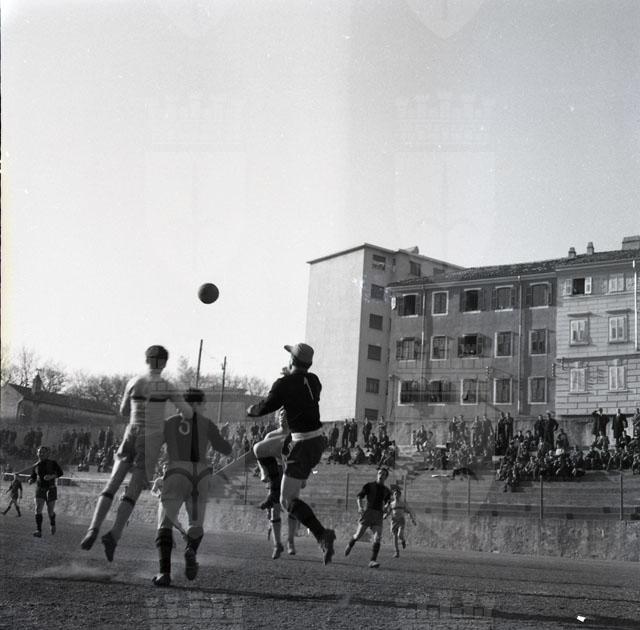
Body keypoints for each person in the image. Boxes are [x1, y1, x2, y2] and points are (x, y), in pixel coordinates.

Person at [80, 345, 194, 561]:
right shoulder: (167, 386)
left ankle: (93, 528)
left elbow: (123, 411)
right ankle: (114, 534)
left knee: (112, 484)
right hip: (150, 439)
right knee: (132, 491)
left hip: (130, 433)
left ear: (147, 360)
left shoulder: (134, 381)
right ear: (164, 363)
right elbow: (187, 412)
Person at [247, 342, 336, 565]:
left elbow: (266, 406)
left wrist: (251, 410)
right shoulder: (314, 381)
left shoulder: (284, 384)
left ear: (291, 360)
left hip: (302, 443)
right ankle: (274, 492)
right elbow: (299, 389)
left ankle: (322, 534)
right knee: (265, 451)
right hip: (316, 441)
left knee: (287, 500)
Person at [152, 388, 232, 587]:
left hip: (176, 471)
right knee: (195, 524)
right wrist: (222, 437)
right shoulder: (207, 424)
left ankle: (164, 573)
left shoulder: (170, 423)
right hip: (200, 474)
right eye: (203, 404)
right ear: (196, 404)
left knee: (165, 524)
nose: (204, 408)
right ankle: (191, 550)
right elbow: (225, 449)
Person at [344, 467, 392, 568]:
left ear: (386, 477)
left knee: (377, 537)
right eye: (379, 473)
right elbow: (359, 496)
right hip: (368, 513)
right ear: (377, 474)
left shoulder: (387, 490)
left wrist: (386, 508)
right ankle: (350, 544)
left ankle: (372, 561)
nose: (381, 475)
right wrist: (360, 507)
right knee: (358, 535)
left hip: (378, 515)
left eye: (383, 474)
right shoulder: (369, 486)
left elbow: (388, 502)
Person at [29, 446, 63, 537]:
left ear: (47, 454)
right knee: (38, 509)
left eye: (43, 452)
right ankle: (38, 530)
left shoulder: (52, 463)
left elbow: (60, 473)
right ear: (37, 453)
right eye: (40, 452)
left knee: (50, 511)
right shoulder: (35, 465)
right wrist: (31, 480)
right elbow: (33, 477)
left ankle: (52, 523)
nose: (41, 454)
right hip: (40, 489)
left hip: (51, 489)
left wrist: (51, 476)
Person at [385, 487, 416, 558]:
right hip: (394, 521)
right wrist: (385, 516)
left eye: (398, 494)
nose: (396, 495)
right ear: (393, 495)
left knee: (400, 535)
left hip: (401, 520)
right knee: (395, 537)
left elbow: (409, 511)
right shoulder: (392, 504)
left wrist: (412, 520)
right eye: (395, 494)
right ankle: (396, 552)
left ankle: (403, 540)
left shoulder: (402, 504)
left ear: (400, 495)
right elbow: (389, 512)